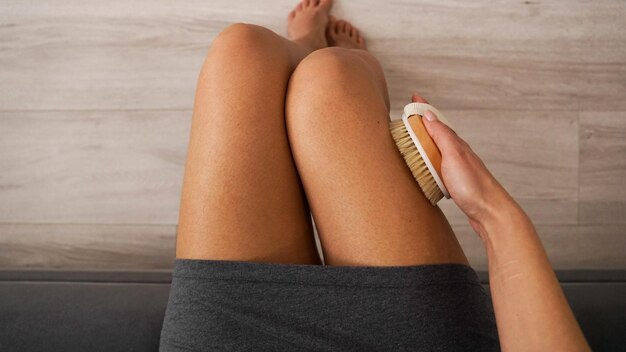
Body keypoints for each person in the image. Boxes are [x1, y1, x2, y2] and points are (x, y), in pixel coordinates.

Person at [159, 0, 591, 350]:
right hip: (412, 337)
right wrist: (488, 210)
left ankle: (307, 45)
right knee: (335, 74)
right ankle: (320, 52)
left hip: (229, 334)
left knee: (242, 47)